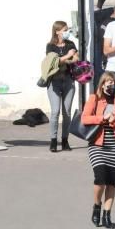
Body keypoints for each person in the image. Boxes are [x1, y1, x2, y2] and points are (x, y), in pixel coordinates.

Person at [81, 73, 115, 229]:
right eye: (108, 82)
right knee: (100, 178)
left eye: (113, 82)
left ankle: (107, 214)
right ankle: (97, 205)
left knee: (112, 183)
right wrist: (103, 118)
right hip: (97, 144)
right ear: (102, 85)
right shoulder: (94, 99)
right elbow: (85, 118)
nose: (111, 85)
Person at [44, 21, 79, 153]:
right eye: (65, 29)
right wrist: (68, 56)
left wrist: (64, 59)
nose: (67, 32)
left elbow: (75, 59)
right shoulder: (50, 46)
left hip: (69, 81)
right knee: (55, 112)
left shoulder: (71, 44)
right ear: (57, 31)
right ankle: (53, 141)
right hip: (54, 82)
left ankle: (65, 140)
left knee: (67, 112)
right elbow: (52, 61)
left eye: (67, 29)